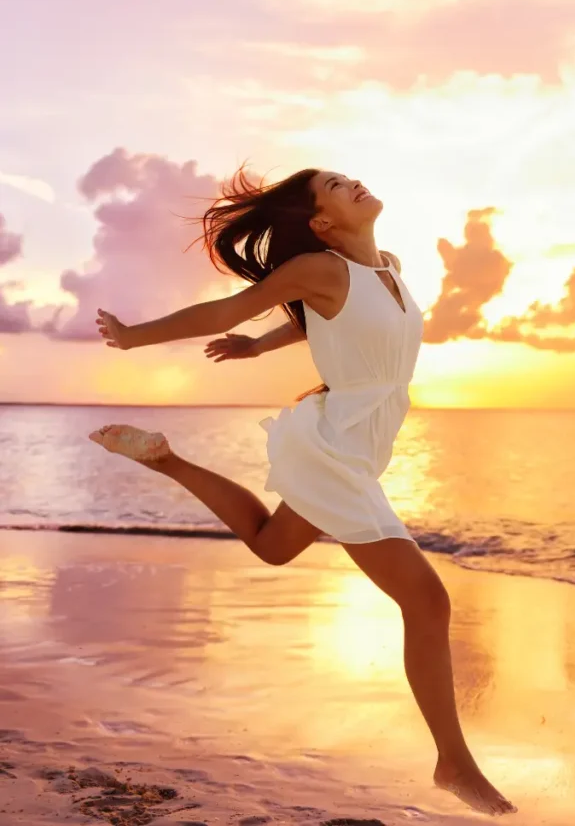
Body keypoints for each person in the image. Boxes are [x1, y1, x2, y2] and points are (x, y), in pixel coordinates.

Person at [88, 167, 516, 817]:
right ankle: (453, 761)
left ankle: (166, 459)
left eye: (349, 178)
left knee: (272, 544)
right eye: (339, 188)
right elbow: (225, 308)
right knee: (426, 601)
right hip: (339, 445)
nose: (357, 184)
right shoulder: (317, 267)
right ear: (321, 224)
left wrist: (262, 347)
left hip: (363, 444)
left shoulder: (387, 266)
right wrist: (133, 335)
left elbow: (333, 323)